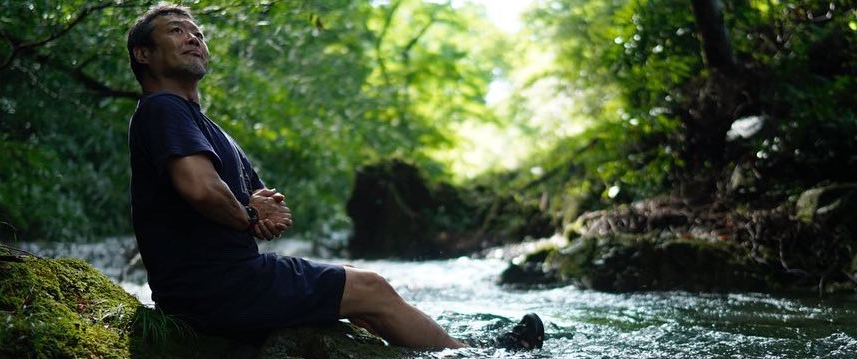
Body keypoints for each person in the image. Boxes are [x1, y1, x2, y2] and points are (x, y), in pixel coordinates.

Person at [124, 3, 544, 351]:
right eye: (178, 31)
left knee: (349, 280)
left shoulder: (199, 122)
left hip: (222, 282)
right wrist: (251, 216)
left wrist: (262, 208)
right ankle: (468, 354)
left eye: (197, 32)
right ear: (144, 54)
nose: (194, 38)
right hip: (216, 289)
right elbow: (200, 188)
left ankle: (446, 342)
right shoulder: (164, 109)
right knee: (373, 287)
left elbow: (252, 196)